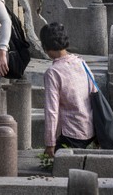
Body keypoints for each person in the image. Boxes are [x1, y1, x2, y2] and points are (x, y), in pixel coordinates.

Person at [41, 22, 95, 157]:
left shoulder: (53, 73)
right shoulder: (81, 62)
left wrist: (50, 143)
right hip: (90, 130)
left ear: (45, 47)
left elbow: (51, 111)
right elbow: (94, 92)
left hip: (71, 134)